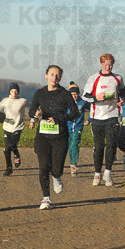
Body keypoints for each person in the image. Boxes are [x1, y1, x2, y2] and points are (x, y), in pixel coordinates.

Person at [28, 65, 78, 210]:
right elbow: (32, 110)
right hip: (43, 136)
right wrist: (35, 114)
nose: (54, 78)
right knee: (43, 166)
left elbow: (75, 113)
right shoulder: (39, 93)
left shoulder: (64, 94)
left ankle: (56, 177)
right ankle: (46, 198)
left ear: (60, 78)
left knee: (56, 169)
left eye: (57, 75)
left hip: (60, 137)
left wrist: (59, 118)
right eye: (52, 74)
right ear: (46, 76)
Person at [82, 53, 125, 186]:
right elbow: (85, 96)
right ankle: (97, 174)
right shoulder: (94, 78)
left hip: (112, 115)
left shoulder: (117, 78)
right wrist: (95, 98)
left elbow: (122, 92)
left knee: (112, 145)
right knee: (99, 146)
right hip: (97, 117)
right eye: (106, 64)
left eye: (111, 64)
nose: (108, 67)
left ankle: (108, 173)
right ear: (101, 64)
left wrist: (122, 100)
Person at [0, 83, 28, 175]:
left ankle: (16, 155)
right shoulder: (5, 101)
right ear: (9, 92)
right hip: (7, 127)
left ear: (18, 92)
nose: (14, 93)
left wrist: (34, 118)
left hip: (18, 127)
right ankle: (9, 168)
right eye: (12, 91)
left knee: (12, 145)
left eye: (16, 91)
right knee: (7, 149)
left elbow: (30, 111)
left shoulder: (23, 101)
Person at [67, 84, 89, 175]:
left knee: (74, 144)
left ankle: (73, 164)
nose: (74, 96)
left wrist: (89, 120)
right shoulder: (66, 103)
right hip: (67, 128)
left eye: (76, 94)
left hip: (78, 127)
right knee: (70, 146)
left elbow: (93, 109)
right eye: (72, 95)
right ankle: (72, 163)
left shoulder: (82, 102)